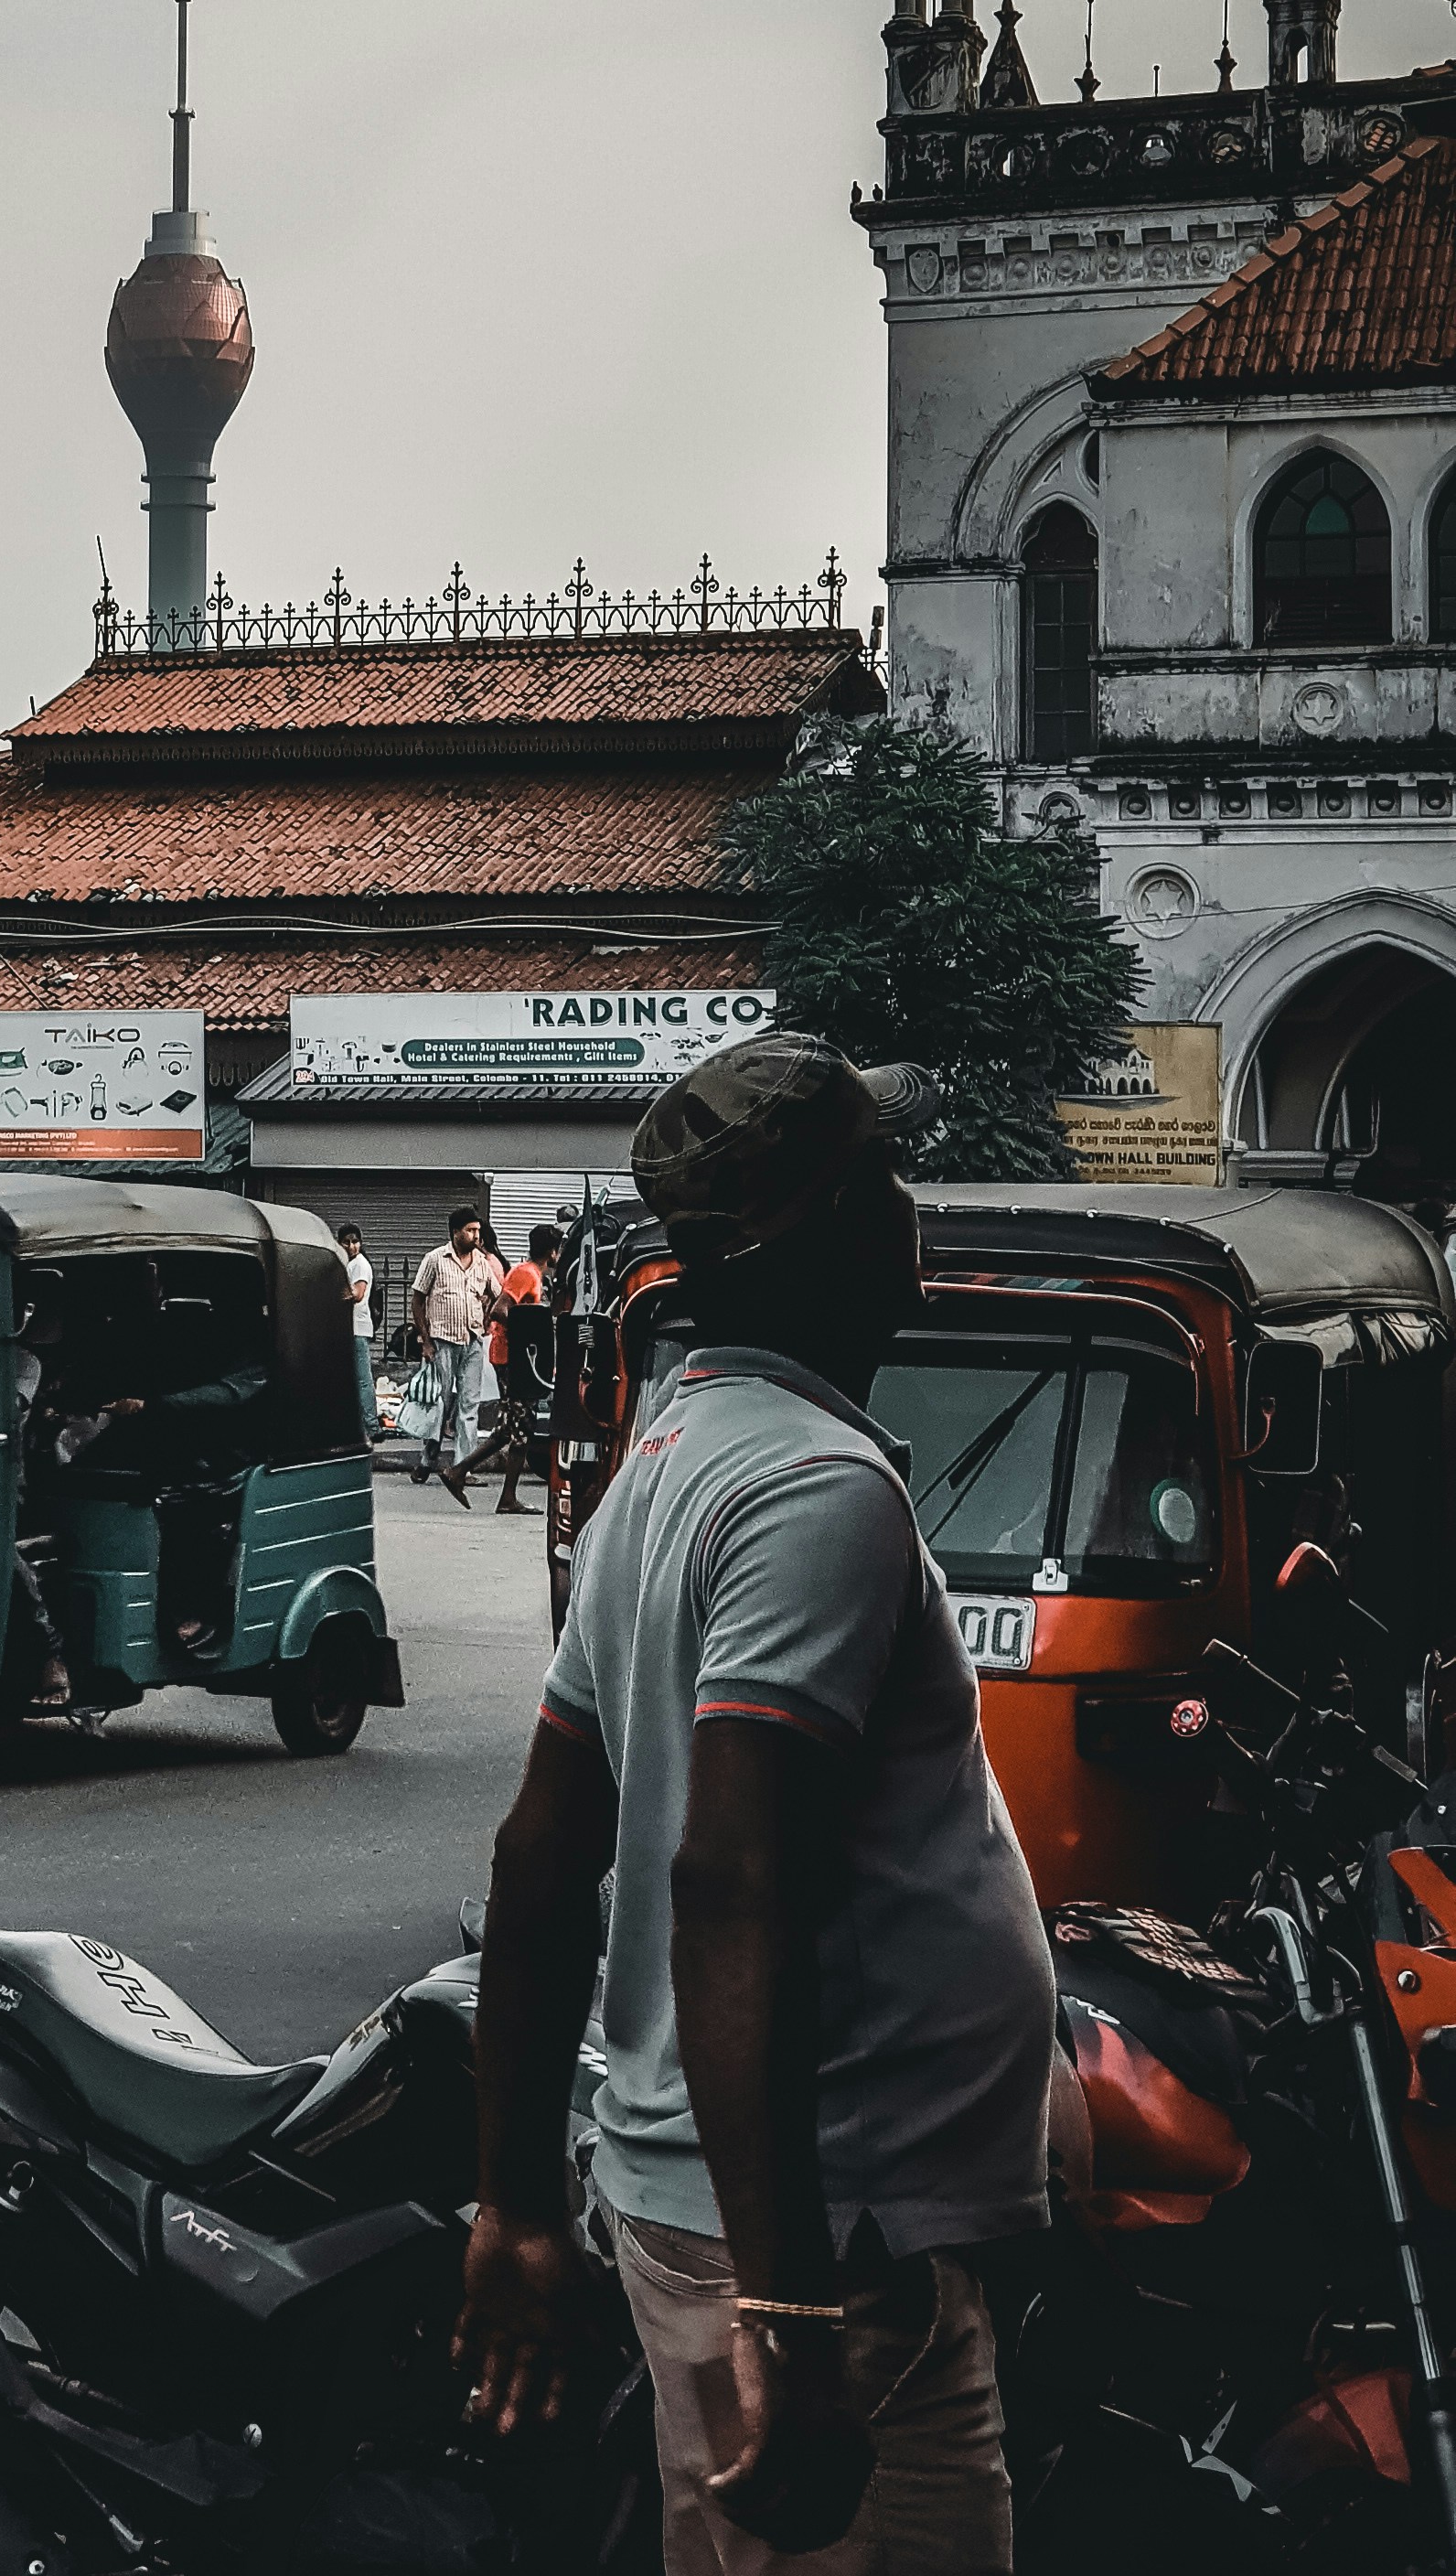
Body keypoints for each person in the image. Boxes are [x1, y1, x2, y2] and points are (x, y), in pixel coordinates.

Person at [455, 1035, 1054, 2576]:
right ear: (841, 1223)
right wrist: (787, 2310)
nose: (912, 1207)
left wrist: (516, 2195)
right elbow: (726, 1884)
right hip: (820, 2242)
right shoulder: (807, 1489)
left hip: (713, 2210)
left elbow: (540, 1856)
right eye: (887, 1177)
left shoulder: (668, 1461)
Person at [448, 1221, 560, 1513]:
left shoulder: (534, 1275)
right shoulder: (526, 1274)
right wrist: (527, 1336)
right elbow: (499, 1310)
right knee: (520, 1429)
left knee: (510, 1428)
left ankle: (465, 1475)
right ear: (553, 1251)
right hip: (514, 1360)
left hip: (518, 1359)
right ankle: (497, 1493)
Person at [406, 1206, 505, 1482]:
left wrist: (487, 1318)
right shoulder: (435, 1259)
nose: (476, 1235)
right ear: (455, 1232)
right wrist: (425, 1341)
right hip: (442, 1342)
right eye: (470, 1230)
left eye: (477, 1230)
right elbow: (417, 1300)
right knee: (442, 1404)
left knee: (468, 1406)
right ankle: (428, 1459)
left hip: (472, 1341)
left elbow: (497, 1295)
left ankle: (463, 1468)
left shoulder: (482, 1262)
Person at [338, 1225, 379, 1443]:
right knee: (354, 1378)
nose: (352, 1246)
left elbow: (358, 1294)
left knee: (362, 1379)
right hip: (351, 1327)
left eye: (355, 1241)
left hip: (357, 1327)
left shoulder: (360, 1265)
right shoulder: (349, 1264)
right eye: (347, 1242)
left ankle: (371, 1426)